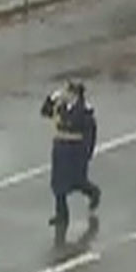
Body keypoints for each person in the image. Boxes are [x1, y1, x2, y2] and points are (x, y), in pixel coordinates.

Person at [42, 82, 100, 229]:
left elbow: (90, 133)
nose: (63, 94)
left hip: (75, 150)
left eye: (66, 92)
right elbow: (45, 111)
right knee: (58, 183)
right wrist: (51, 98)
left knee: (77, 181)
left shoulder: (84, 110)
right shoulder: (60, 106)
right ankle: (62, 215)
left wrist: (87, 153)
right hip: (60, 149)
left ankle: (93, 192)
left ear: (74, 94)